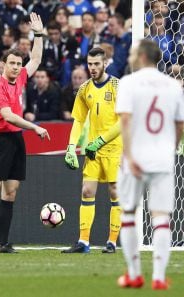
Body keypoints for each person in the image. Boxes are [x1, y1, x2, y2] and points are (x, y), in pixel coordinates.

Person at [0, 13, 50, 254]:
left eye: (18, 63)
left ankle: (3, 243)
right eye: (12, 64)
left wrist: (38, 35)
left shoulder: (21, 78)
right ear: (4, 65)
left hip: (16, 140)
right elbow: (8, 116)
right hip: (0, 140)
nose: (17, 67)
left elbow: (35, 59)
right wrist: (35, 127)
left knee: (11, 193)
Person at [115, 39, 184, 290]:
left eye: (134, 53)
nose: (131, 56)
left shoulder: (128, 83)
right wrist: (170, 148)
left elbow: (125, 120)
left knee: (128, 213)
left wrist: (130, 156)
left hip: (134, 158)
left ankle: (134, 274)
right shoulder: (173, 85)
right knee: (161, 218)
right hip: (162, 158)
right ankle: (158, 277)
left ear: (143, 56)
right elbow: (180, 125)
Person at [62, 47, 122, 254]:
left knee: (115, 191)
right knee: (87, 191)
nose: (93, 67)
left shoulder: (116, 86)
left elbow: (124, 121)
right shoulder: (84, 88)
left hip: (114, 149)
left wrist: (101, 141)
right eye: (90, 64)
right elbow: (78, 120)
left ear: (105, 64)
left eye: (97, 64)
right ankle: (84, 242)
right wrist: (71, 147)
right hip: (92, 150)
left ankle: (112, 242)